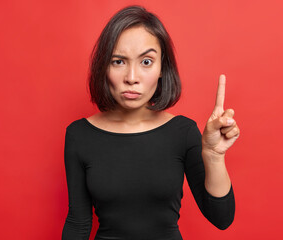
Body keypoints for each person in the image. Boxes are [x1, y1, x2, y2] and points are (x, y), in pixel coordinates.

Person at [62, 5, 240, 240]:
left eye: (146, 62)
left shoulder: (183, 132)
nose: (132, 78)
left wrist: (214, 157)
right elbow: (78, 223)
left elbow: (222, 219)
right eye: (118, 61)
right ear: (103, 67)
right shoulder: (79, 135)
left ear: (161, 69)